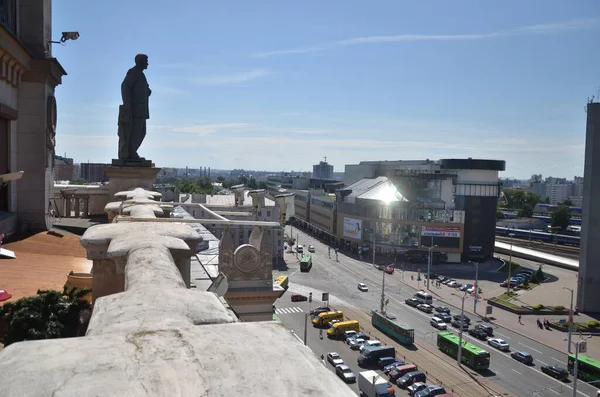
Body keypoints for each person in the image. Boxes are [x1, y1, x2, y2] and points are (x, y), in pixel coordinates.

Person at [118, 54, 151, 160]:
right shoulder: (134, 72)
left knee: (141, 132)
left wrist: (146, 92)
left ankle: (132, 152)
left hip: (141, 111)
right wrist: (127, 102)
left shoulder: (140, 74)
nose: (147, 63)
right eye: (146, 61)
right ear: (140, 62)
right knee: (135, 132)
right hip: (135, 110)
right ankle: (131, 153)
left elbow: (138, 91)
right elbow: (125, 86)